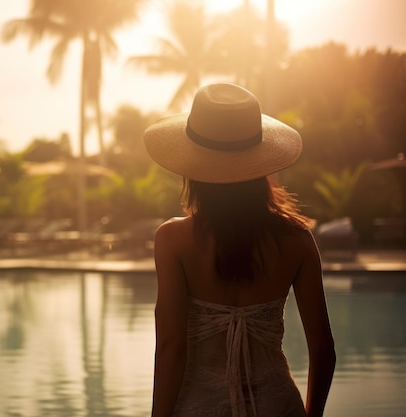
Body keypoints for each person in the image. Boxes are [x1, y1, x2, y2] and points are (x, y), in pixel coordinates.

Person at [143, 83, 336, 417]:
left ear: (193, 166)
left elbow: (172, 349)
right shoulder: (297, 240)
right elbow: (323, 350)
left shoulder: (172, 240)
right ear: (259, 164)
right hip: (278, 407)